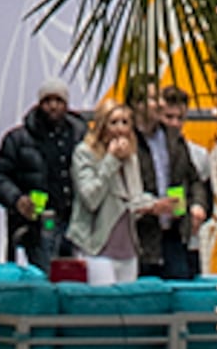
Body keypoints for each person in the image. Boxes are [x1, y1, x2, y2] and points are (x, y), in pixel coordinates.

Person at [0, 87, 81, 271]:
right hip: (39, 223)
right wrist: (18, 200)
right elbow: (0, 177)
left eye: (59, 101)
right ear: (39, 104)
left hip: (77, 222)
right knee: (45, 276)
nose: (53, 106)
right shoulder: (18, 139)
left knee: (76, 279)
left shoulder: (80, 137)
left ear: (67, 105)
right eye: (48, 101)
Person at [127, 92, 207, 281]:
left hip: (174, 233)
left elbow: (193, 178)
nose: (161, 103)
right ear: (137, 104)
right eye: (153, 99)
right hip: (139, 237)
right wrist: (151, 205)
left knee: (181, 286)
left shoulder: (173, 138)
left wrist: (197, 204)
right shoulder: (128, 140)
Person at [67, 101, 146, 281]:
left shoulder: (131, 157)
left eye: (125, 122)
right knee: (103, 296)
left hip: (127, 247)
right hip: (96, 245)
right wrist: (111, 160)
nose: (120, 128)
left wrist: (155, 205)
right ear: (102, 125)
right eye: (114, 122)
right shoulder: (84, 153)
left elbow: (135, 197)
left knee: (128, 297)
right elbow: (90, 198)